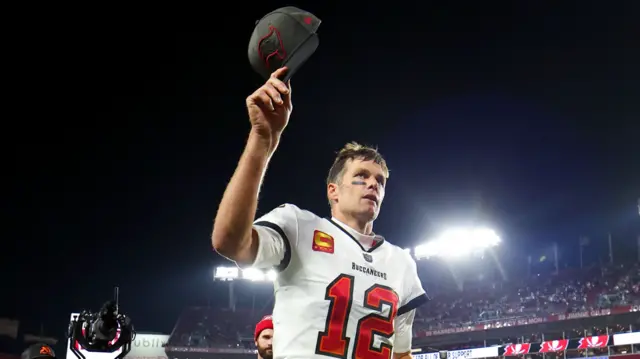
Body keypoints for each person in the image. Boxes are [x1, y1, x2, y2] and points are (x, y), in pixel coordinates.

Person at [212, 67, 428, 359]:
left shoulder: (402, 263)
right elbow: (229, 242)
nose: (373, 185)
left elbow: (401, 354)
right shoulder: (298, 226)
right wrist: (262, 140)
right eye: (361, 176)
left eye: (380, 181)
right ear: (333, 190)